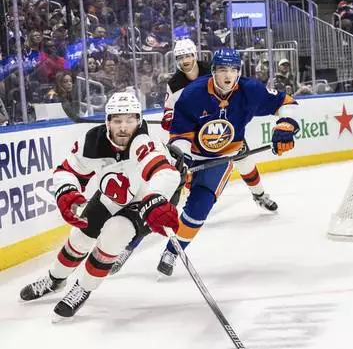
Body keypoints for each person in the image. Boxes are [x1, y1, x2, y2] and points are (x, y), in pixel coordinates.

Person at [18, 92, 183, 320]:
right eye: (117, 120)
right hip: (112, 195)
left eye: (130, 120)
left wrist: (156, 199)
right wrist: (66, 191)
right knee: (80, 236)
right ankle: (55, 279)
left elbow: (165, 172)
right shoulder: (92, 141)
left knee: (114, 235)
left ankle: (82, 288)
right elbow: (67, 171)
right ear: (107, 121)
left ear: (139, 121)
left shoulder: (145, 143)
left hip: (144, 202)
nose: (123, 127)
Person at [157, 48, 299, 277]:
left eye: (233, 69)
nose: (228, 75)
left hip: (224, 153)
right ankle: (127, 243)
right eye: (223, 69)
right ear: (213, 71)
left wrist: (286, 124)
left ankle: (172, 251)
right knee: (160, 196)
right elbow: (179, 131)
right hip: (192, 152)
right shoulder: (190, 92)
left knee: (201, 205)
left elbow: (288, 103)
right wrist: (182, 160)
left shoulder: (250, 89)